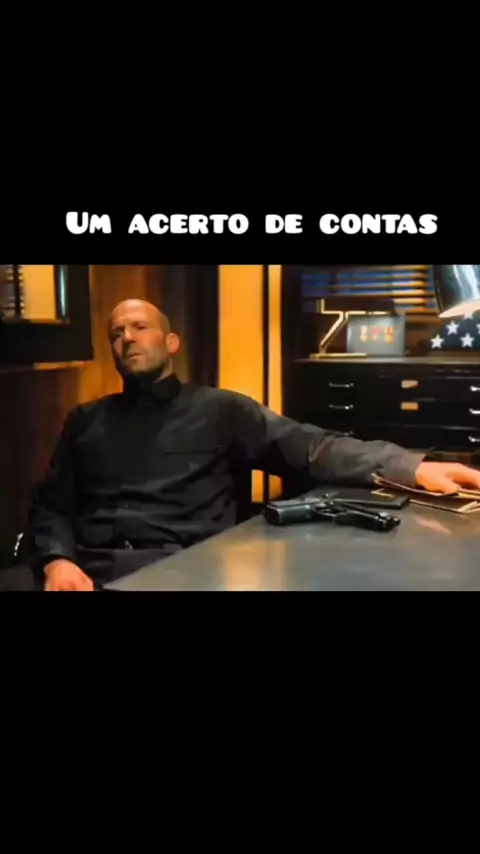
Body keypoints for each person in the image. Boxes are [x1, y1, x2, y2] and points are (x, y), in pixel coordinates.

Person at [27, 299, 480, 591]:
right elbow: (51, 507)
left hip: (182, 573)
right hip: (88, 575)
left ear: (171, 341)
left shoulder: (221, 410)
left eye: (140, 327)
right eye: (116, 332)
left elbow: (311, 447)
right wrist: (56, 561)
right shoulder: (85, 420)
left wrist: (410, 467)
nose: (127, 338)